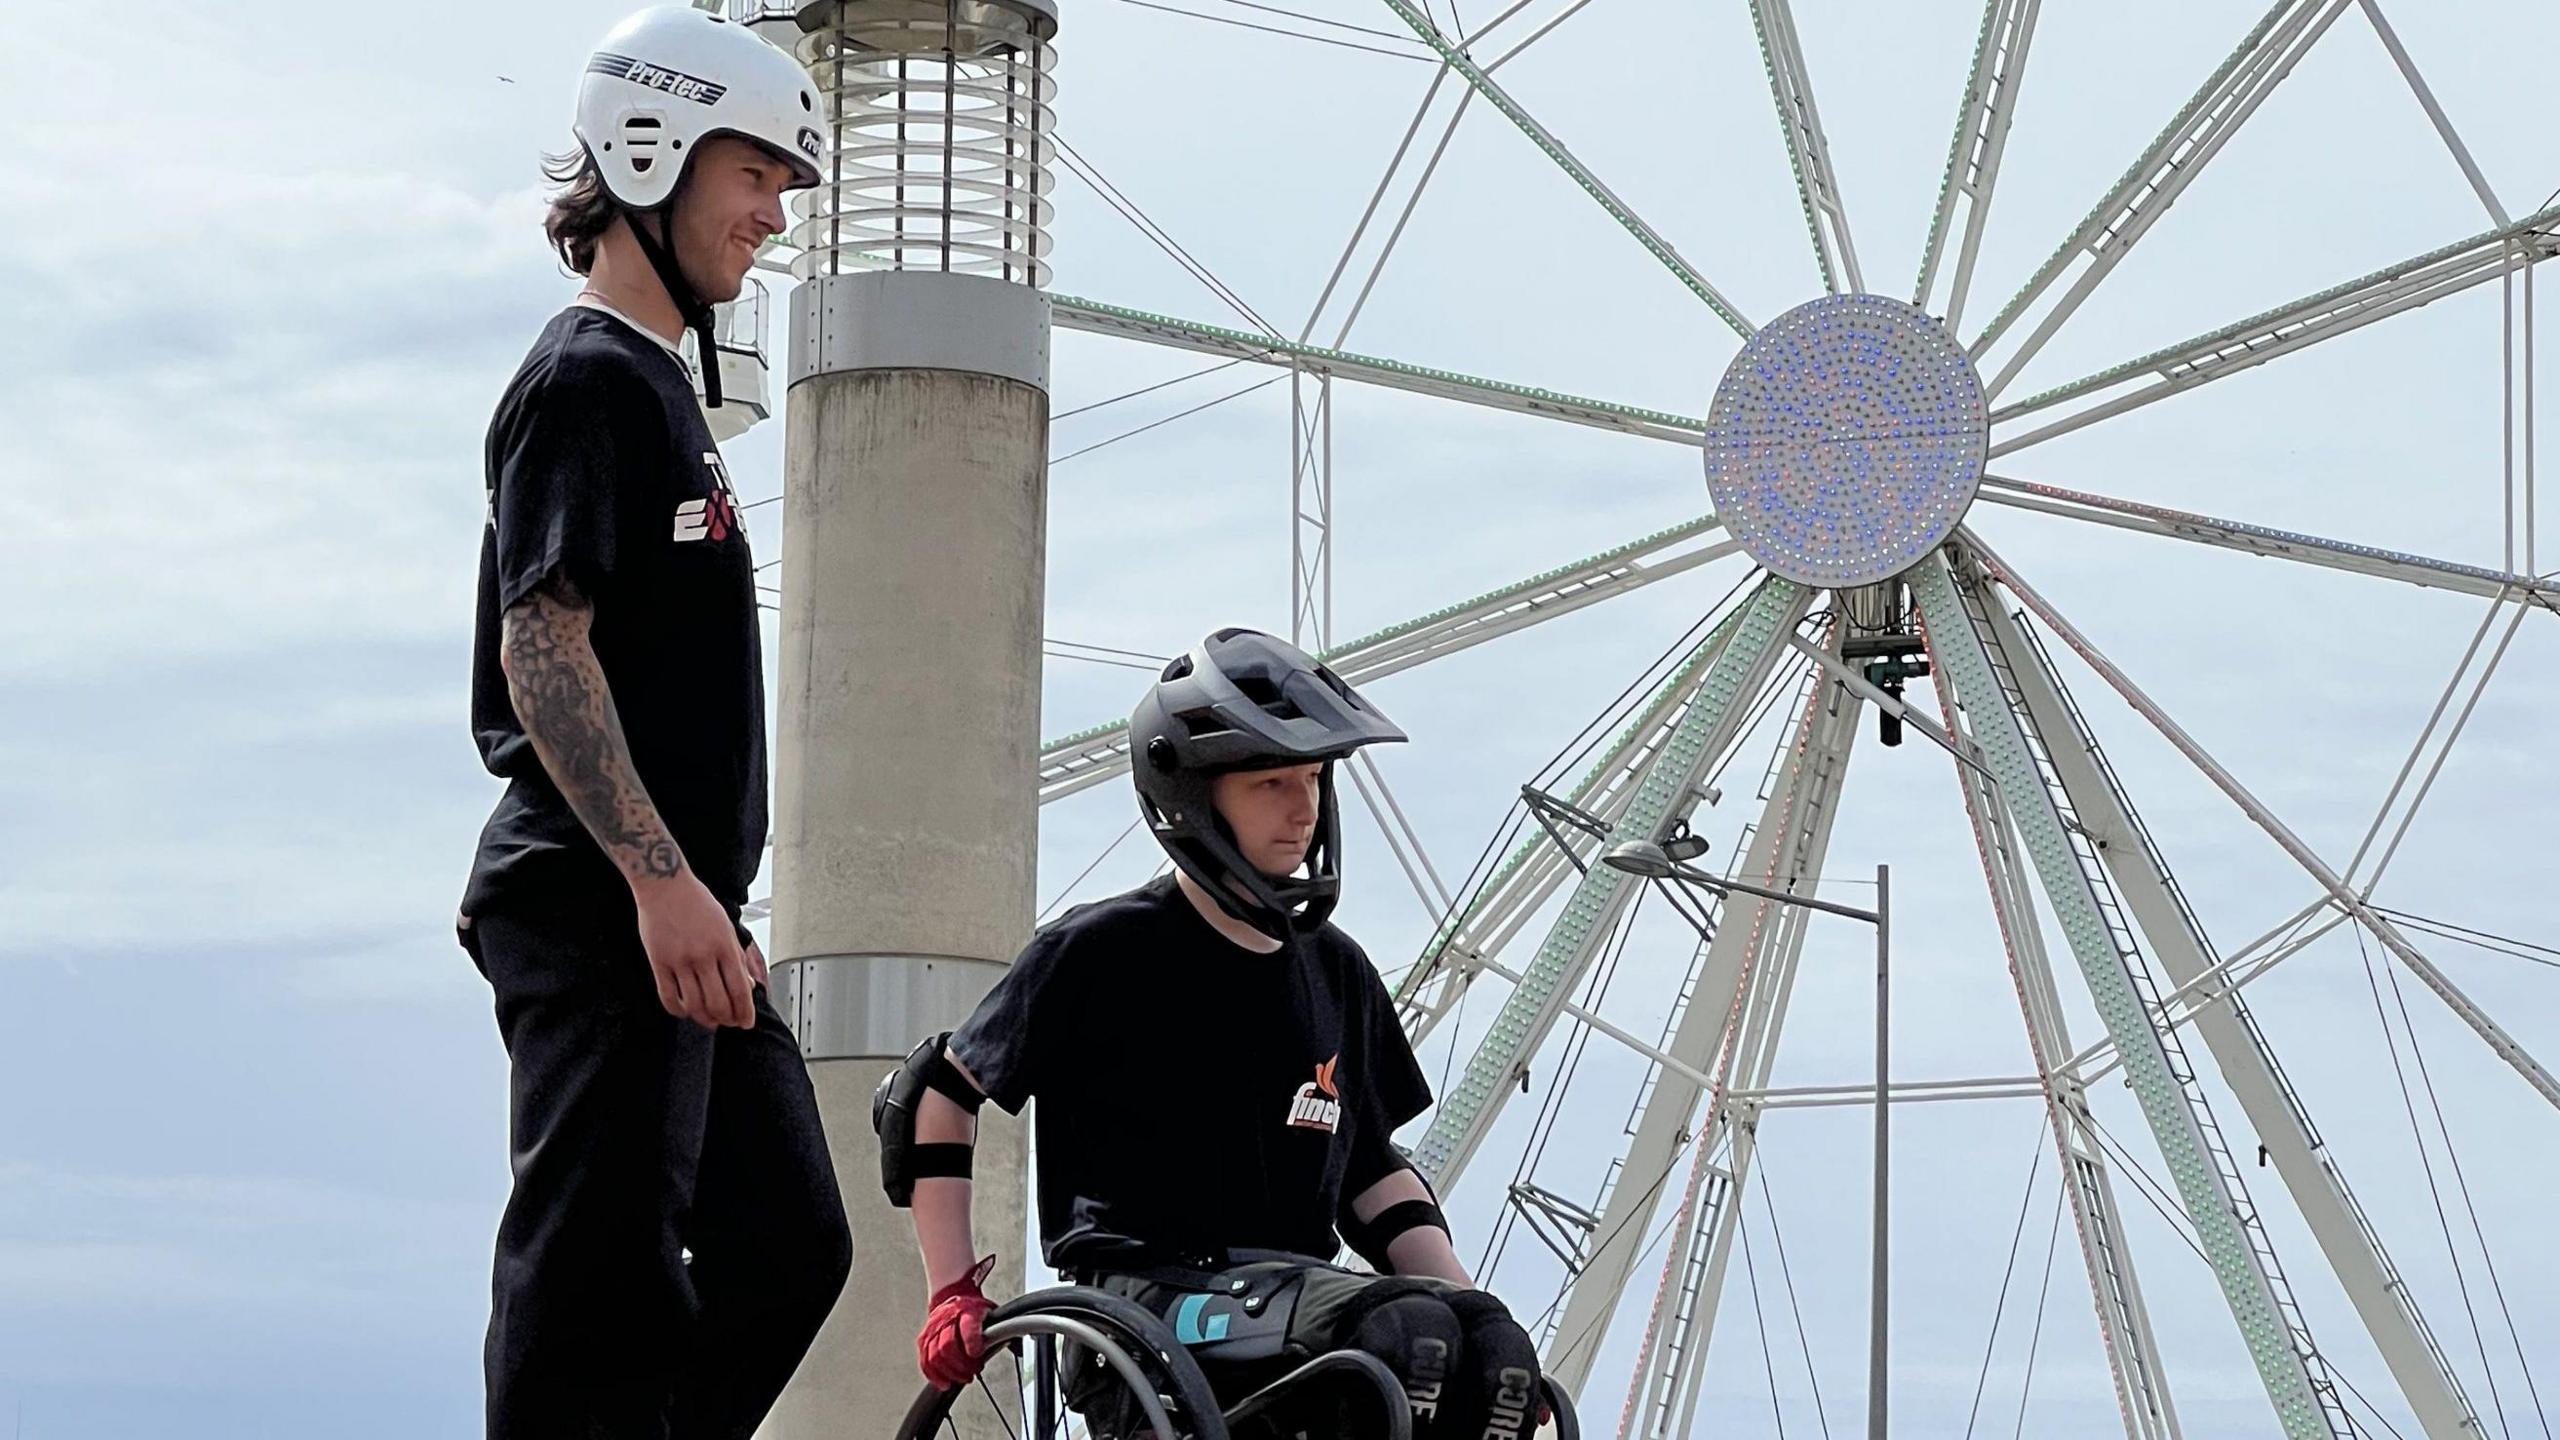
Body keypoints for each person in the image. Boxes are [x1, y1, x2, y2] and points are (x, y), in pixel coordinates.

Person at [454, 9, 848, 1436]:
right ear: (653, 145)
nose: (770, 217)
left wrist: (696, 898)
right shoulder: (587, 377)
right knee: (590, 1284)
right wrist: (660, 880)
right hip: (599, 895)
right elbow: (541, 638)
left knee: (794, 1244)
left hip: (684, 911)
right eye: (755, 176)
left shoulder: (665, 395)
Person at [873, 629, 1549, 1438]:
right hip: (1141, 1306)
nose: (1303, 810)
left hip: (1294, 1296)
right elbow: (935, 1095)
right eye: (1271, 783)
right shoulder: (1100, 950)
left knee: (1485, 1347)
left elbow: (1373, 1172)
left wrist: (1476, 1314)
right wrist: (951, 1291)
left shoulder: (1339, 972)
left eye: (1313, 778)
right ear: (1191, 794)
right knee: (1405, 1334)